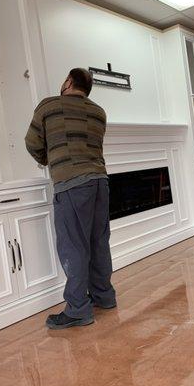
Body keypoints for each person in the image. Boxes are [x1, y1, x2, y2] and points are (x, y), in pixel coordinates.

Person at [25, 68, 116, 330]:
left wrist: (50, 161)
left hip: (72, 184)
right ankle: (104, 296)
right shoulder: (99, 112)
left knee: (73, 245)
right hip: (100, 181)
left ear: (67, 82)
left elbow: (32, 142)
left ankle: (78, 309)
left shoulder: (49, 105)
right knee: (99, 240)